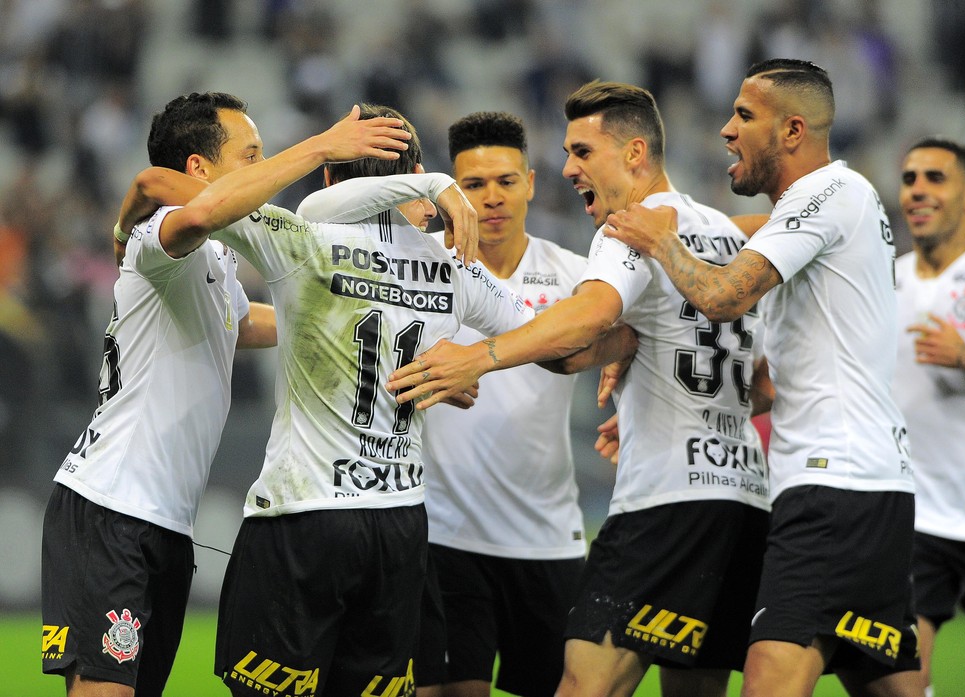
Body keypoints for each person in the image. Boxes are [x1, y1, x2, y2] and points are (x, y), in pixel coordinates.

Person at [121, 102, 534, 697]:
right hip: (400, 521)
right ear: (415, 175)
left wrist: (120, 234)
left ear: (330, 176)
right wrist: (477, 359)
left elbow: (172, 188)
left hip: (304, 514)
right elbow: (545, 336)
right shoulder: (457, 269)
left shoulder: (303, 237)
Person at [387, 80, 771, 697]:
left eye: (583, 152)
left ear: (635, 153)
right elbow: (762, 383)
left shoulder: (628, 230)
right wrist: (644, 358)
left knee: (583, 685)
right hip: (743, 494)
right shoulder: (726, 235)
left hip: (665, 500)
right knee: (697, 688)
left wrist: (479, 358)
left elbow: (589, 316)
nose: (569, 169)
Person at [40, 92, 413, 697]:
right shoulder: (160, 235)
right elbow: (164, 195)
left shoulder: (213, 255)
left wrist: (347, 318)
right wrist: (322, 147)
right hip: (111, 504)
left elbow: (244, 324)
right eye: (251, 154)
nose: (262, 165)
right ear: (199, 168)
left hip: (165, 522)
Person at [599, 59, 924, 696]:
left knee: (767, 682)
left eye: (745, 115)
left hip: (832, 483)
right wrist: (671, 399)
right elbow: (772, 384)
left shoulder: (827, 193)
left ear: (793, 130)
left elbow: (723, 296)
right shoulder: (830, 209)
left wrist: (661, 240)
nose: (726, 130)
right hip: (868, 482)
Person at [411, 111, 591, 697]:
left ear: (531, 183)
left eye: (506, 181)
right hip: (446, 533)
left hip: (547, 536)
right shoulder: (419, 268)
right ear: (451, 191)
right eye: (474, 184)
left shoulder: (574, 277)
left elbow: (626, 337)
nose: (492, 198)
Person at [893, 136, 965, 696]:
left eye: (935, 178)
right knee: (905, 673)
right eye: (909, 179)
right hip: (918, 514)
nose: (918, 190)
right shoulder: (884, 280)